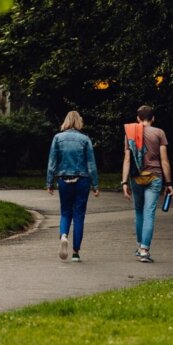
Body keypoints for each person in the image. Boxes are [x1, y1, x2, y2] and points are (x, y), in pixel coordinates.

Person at [121, 105, 173, 263]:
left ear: (138, 118)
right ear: (153, 118)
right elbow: (164, 161)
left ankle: (139, 246)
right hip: (154, 176)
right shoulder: (159, 133)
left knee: (138, 212)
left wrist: (124, 182)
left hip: (136, 177)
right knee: (149, 213)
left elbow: (127, 159)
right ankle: (144, 249)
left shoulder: (129, 133)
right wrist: (169, 183)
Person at [46, 110, 100, 262]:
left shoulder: (58, 138)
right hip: (82, 180)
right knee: (79, 215)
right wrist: (95, 185)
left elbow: (52, 162)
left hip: (64, 179)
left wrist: (49, 182)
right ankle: (76, 252)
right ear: (79, 122)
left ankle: (63, 235)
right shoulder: (85, 139)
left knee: (65, 212)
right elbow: (91, 165)